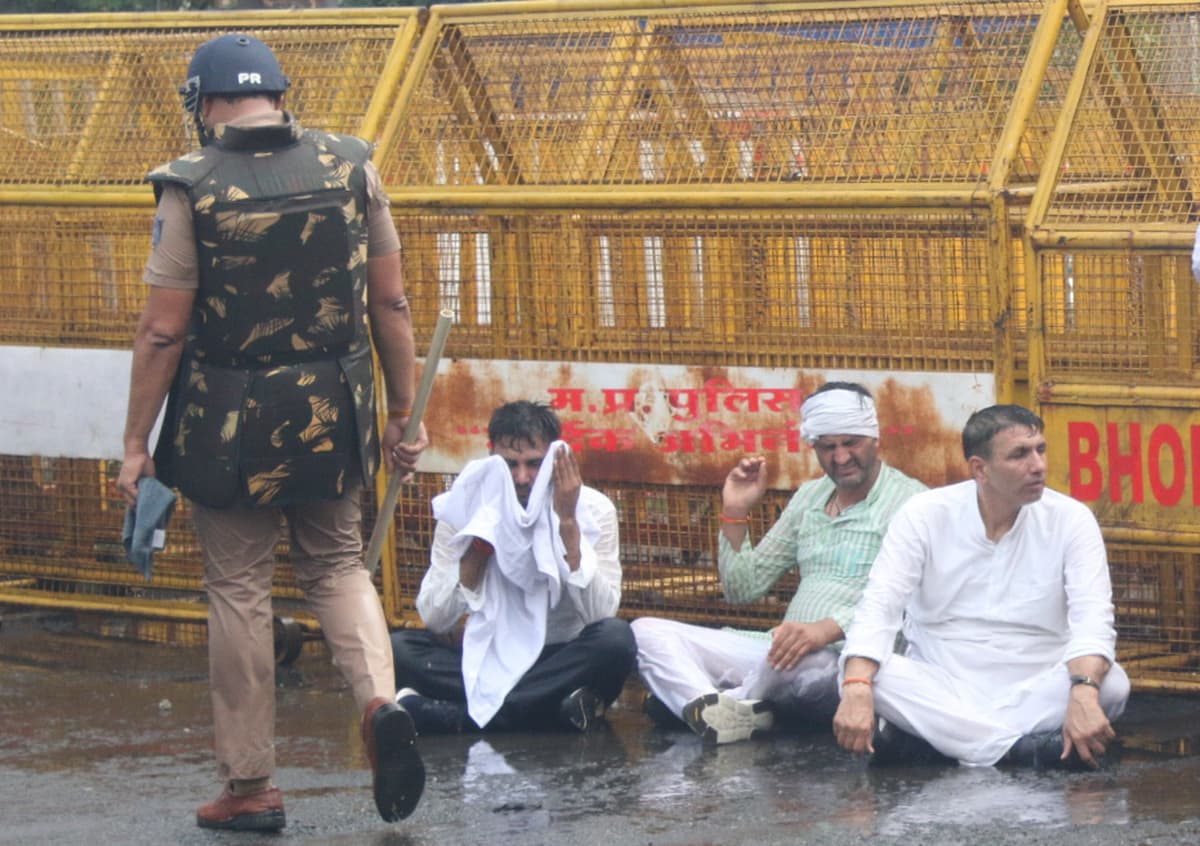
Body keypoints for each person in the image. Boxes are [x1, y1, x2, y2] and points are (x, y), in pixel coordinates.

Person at [116, 33, 428, 831]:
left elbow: (161, 331)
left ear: (208, 102)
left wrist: (135, 443)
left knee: (240, 589)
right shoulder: (351, 164)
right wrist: (402, 410)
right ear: (279, 96)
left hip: (230, 418)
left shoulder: (191, 186)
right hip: (337, 404)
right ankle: (381, 703)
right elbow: (389, 305)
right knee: (335, 567)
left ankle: (251, 786)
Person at [833, 404, 1131, 770]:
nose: (1038, 465)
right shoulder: (924, 513)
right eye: (1020, 454)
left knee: (1111, 684)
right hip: (943, 684)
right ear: (980, 468)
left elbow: (1093, 619)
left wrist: (1083, 691)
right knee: (859, 674)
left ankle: (945, 743)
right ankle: (1013, 751)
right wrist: (857, 688)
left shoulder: (1071, 519)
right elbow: (879, 607)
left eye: (1040, 449)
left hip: (1034, 684)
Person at [631, 382, 926, 744]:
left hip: (846, 663)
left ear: (874, 438)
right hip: (779, 651)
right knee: (646, 631)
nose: (841, 457)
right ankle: (717, 708)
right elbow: (743, 588)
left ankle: (710, 704)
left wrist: (825, 630)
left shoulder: (912, 503)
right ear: (814, 447)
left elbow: (913, 606)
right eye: (827, 446)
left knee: (800, 663)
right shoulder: (810, 496)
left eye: (851, 443)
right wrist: (736, 511)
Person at [391, 400, 636, 733]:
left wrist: (567, 525)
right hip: (487, 655)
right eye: (511, 465)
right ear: (492, 457)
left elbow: (600, 614)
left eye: (534, 464)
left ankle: (459, 716)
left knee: (616, 641)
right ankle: (549, 711)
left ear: (554, 458)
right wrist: (479, 546)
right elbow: (435, 617)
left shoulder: (593, 509)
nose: (522, 478)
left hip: (561, 657)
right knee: (399, 649)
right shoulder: (464, 507)